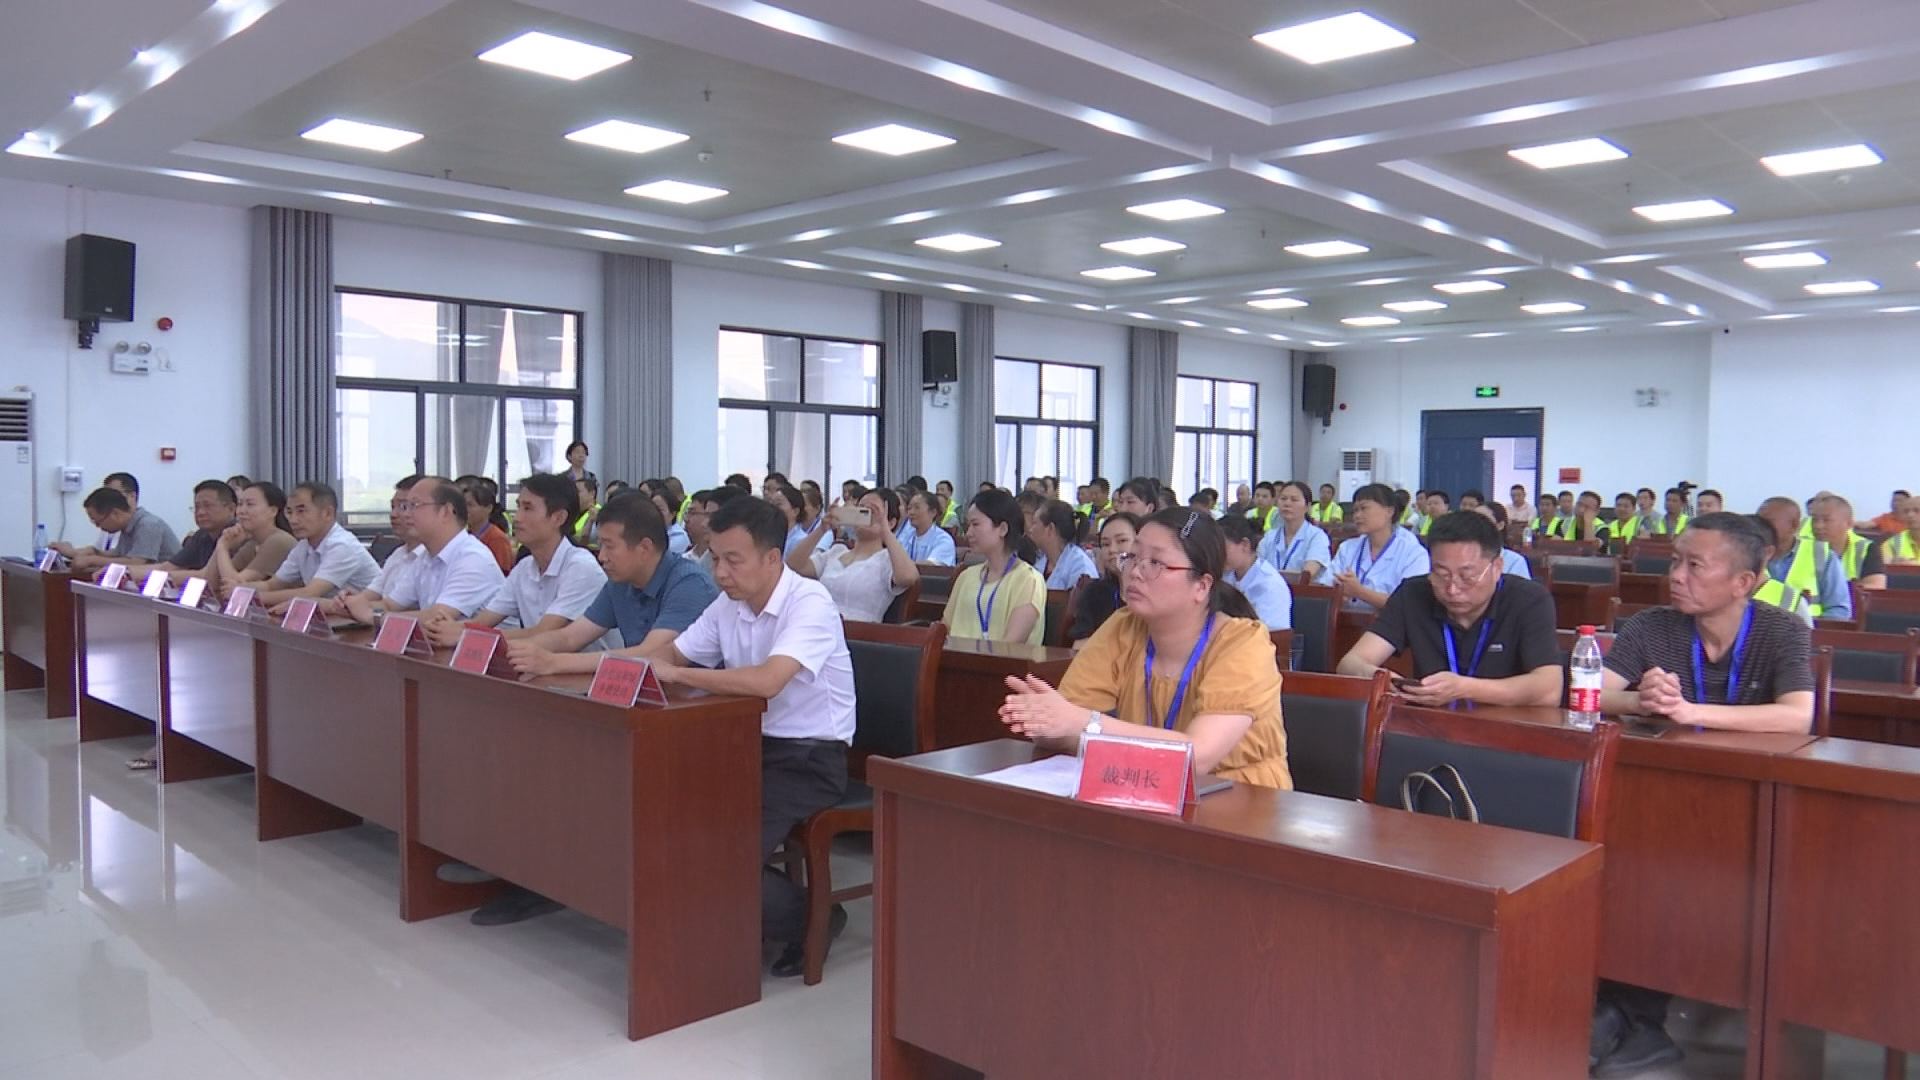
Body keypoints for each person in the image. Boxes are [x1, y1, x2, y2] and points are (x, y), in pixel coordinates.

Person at [1590, 512, 1814, 1077]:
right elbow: (1590, 693)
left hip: (1755, 809)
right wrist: (1641, 699)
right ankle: (1626, 1013)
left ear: (1744, 581)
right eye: (1675, 561)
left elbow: (1797, 716)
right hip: (1667, 798)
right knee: (1633, 869)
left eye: (1694, 565)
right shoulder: (1652, 626)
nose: (1676, 576)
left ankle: (1634, 1019)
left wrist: (1690, 712)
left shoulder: (1781, 630)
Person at [647, 496, 858, 978]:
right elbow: (673, 655)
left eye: (732, 560)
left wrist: (680, 676)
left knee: (725, 854)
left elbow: (767, 682)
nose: (719, 572)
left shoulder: (809, 602)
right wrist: (603, 667)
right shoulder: (729, 603)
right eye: (715, 558)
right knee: (666, 816)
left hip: (810, 759)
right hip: (748, 747)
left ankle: (814, 919)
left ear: (771, 558)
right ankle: (703, 920)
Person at [998, 508, 1291, 789]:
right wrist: (1047, 721)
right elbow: (1065, 726)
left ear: (1202, 586)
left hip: (1241, 798)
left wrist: (1086, 724)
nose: (1135, 572)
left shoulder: (1243, 643)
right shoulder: (1124, 626)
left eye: (1156, 563)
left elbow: (1198, 757)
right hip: (1146, 788)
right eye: (1133, 557)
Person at [1338, 511, 1560, 706]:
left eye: (1467, 577)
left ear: (1497, 568)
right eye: (1441, 575)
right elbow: (1350, 664)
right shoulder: (1413, 594)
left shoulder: (1529, 599)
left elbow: (1549, 689)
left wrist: (1465, 689)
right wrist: (1383, 679)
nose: (1453, 589)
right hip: (1429, 727)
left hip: (1506, 728)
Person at [504, 489, 717, 678]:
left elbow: (651, 653)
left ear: (644, 548)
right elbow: (570, 637)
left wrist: (554, 662)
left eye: (609, 546)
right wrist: (514, 650)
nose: (602, 556)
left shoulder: (690, 584)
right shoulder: (620, 582)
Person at [425, 473, 615, 650]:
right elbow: (484, 621)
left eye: (528, 508)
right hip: (537, 664)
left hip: (585, 671)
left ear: (558, 518)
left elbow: (545, 632)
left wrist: (466, 635)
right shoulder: (524, 568)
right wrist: (446, 628)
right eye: (518, 507)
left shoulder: (580, 567)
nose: (517, 518)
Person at [334, 478, 504, 624]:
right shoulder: (425, 557)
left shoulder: (472, 558)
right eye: (405, 506)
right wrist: (353, 603)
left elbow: (437, 617)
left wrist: (374, 616)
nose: (406, 514)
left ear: (445, 511)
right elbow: (390, 605)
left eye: (414, 505)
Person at [786, 488, 917, 622]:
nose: (864, 515)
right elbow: (794, 566)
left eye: (872, 511)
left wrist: (886, 531)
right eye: (860, 509)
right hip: (821, 622)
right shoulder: (836, 552)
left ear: (891, 522)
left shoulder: (887, 560)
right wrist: (822, 529)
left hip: (860, 630)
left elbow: (908, 578)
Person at [942, 490, 1047, 645]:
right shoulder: (966, 576)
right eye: (968, 525)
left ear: (1003, 529)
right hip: (954, 658)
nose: (968, 533)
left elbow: (1011, 644)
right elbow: (944, 630)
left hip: (1001, 660)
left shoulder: (1028, 579)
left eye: (975, 524)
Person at [256, 482, 379, 612]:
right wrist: (242, 589)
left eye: (301, 511)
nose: (293, 520)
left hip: (368, 617)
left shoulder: (342, 545)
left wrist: (253, 598)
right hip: (336, 614)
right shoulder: (303, 546)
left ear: (328, 513)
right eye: (290, 512)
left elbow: (309, 593)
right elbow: (272, 585)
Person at [1323, 483, 1431, 611]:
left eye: (1364, 508)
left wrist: (1359, 592)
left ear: (1389, 511)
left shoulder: (1413, 553)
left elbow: (1411, 605)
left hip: (1392, 623)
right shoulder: (1347, 548)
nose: (1357, 515)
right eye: (1355, 510)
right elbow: (1325, 586)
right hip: (1345, 620)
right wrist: (1337, 594)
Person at [1755, 497, 1851, 619]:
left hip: (1811, 628)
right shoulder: (1747, 554)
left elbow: (1839, 610)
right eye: (1758, 521)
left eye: (1768, 523)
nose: (1759, 527)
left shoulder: (1822, 556)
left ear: (1794, 525)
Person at [209, 481, 298, 598]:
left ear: (273, 511)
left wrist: (222, 548)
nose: (241, 511)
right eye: (240, 504)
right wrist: (222, 543)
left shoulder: (280, 541)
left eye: (250, 504)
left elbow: (235, 588)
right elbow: (211, 582)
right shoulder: (253, 543)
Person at [66, 486, 181, 571]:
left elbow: (137, 563)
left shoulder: (148, 524)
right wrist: (95, 552)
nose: (98, 527)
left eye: (98, 522)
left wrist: (92, 560)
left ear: (115, 513)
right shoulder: (127, 526)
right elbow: (119, 555)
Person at [1067, 512, 1140, 645]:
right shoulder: (1094, 592)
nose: (1112, 549)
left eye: (1122, 541)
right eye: (1105, 544)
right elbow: (1080, 644)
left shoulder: (1155, 593)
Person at [154, 480, 239, 583]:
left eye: (208, 506)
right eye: (197, 507)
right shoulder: (201, 535)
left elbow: (207, 576)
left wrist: (156, 578)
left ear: (231, 509)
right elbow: (169, 567)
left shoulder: (238, 535)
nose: (200, 512)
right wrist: (137, 573)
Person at [1218, 515, 1291, 630]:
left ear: (1245, 545)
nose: (1217, 554)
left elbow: (1271, 634)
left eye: (1222, 547)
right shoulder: (1224, 576)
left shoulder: (1270, 584)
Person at [1256, 480, 1331, 580]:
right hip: (1269, 588)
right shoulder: (1270, 536)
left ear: (1307, 507)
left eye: (1294, 500)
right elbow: (1256, 569)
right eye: (1283, 499)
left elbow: (1308, 574)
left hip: (1303, 589)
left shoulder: (1317, 536)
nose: (1287, 503)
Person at [1809, 494, 1885, 589]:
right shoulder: (1802, 548)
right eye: (1814, 520)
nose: (1818, 526)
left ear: (1849, 523)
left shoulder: (1865, 548)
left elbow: (1876, 586)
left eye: (1826, 520)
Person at [455, 475, 514, 574]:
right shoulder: (465, 535)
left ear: (489, 508)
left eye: (470, 505)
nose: (465, 509)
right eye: (463, 505)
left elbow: (502, 573)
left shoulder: (497, 539)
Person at [1033, 500, 1098, 589]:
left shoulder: (1081, 567)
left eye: (1035, 523)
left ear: (1050, 528)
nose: (1031, 529)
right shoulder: (1041, 562)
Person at [1471, 503, 1532, 578]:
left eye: (1483, 520)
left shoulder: (1515, 561)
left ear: (1500, 525)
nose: (1476, 525)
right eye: (1473, 520)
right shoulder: (1463, 556)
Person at [899, 490, 956, 565]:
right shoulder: (906, 536)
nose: (911, 512)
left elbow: (930, 565)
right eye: (909, 508)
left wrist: (902, 566)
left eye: (917, 508)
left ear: (933, 512)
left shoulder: (943, 539)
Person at [767, 480, 809, 556]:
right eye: (772, 504)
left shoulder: (800, 540)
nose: (773, 508)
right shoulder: (769, 536)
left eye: (778, 504)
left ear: (795, 511)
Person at [1882, 492, 1920, 566]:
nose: (1910, 515)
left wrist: (1913, 565)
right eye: (1906, 511)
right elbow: (1882, 568)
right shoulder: (1892, 543)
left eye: (1917, 510)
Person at [649, 488, 690, 556]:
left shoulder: (679, 537)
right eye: (652, 508)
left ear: (673, 514)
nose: (655, 513)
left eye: (660, 509)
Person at [573, 475, 602, 545]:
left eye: (578, 491)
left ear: (592, 493)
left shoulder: (599, 514)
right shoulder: (574, 513)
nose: (574, 495)